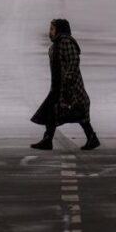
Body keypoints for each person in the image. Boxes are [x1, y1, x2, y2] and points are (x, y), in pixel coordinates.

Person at [30, 19, 100, 151]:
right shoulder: (56, 45)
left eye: (52, 29)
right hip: (58, 86)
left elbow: (74, 61)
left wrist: (68, 80)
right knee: (53, 111)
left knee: (78, 111)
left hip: (70, 86)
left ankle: (91, 137)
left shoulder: (65, 42)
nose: (49, 32)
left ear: (60, 30)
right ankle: (48, 140)